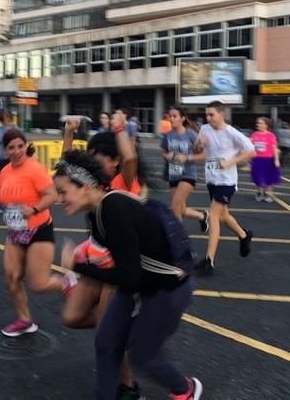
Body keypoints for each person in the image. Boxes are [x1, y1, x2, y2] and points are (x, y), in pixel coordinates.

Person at [55, 151, 202, 400]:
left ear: (86, 187)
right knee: (105, 342)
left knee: (143, 356)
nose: (59, 199)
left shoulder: (115, 209)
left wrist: (78, 267)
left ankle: (186, 389)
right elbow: (125, 268)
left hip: (166, 290)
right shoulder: (96, 213)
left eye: (63, 192)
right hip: (138, 284)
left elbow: (128, 276)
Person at [0, 129, 64, 337]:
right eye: (11, 147)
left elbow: (52, 195)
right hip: (15, 232)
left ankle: (65, 283)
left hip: (39, 230)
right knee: (11, 277)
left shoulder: (35, 169)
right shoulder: (5, 171)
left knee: (38, 284)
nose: (16, 151)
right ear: (5, 150)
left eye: (20, 146)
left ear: (26, 146)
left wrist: (34, 209)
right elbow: (2, 194)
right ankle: (25, 320)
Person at [191, 101, 255, 275]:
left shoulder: (232, 133)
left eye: (212, 114)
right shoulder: (204, 129)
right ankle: (243, 235)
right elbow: (197, 148)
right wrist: (199, 144)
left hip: (227, 181)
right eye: (207, 115)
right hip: (212, 179)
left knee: (213, 216)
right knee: (223, 215)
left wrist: (230, 162)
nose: (208, 117)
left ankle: (209, 260)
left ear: (222, 114)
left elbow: (251, 151)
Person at [160, 106, 208, 229]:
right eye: (169, 116)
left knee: (174, 208)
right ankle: (202, 216)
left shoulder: (191, 134)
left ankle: (180, 242)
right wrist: (168, 156)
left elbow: (203, 155)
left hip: (188, 175)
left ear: (182, 118)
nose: (171, 118)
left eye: (174, 116)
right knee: (180, 210)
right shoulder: (167, 136)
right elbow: (163, 152)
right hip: (173, 174)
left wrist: (187, 158)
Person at [249, 117, 281, 202]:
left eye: (260, 123)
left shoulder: (271, 135)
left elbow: (274, 148)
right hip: (257, 159)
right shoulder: (254, 134)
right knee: (258, 176)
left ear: (266, 125)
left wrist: (276, 160)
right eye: (257, 123)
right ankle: (259, 192)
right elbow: (248, 144)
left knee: (269, 177)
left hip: (268, 159)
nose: (258, 125)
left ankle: (266, 194)